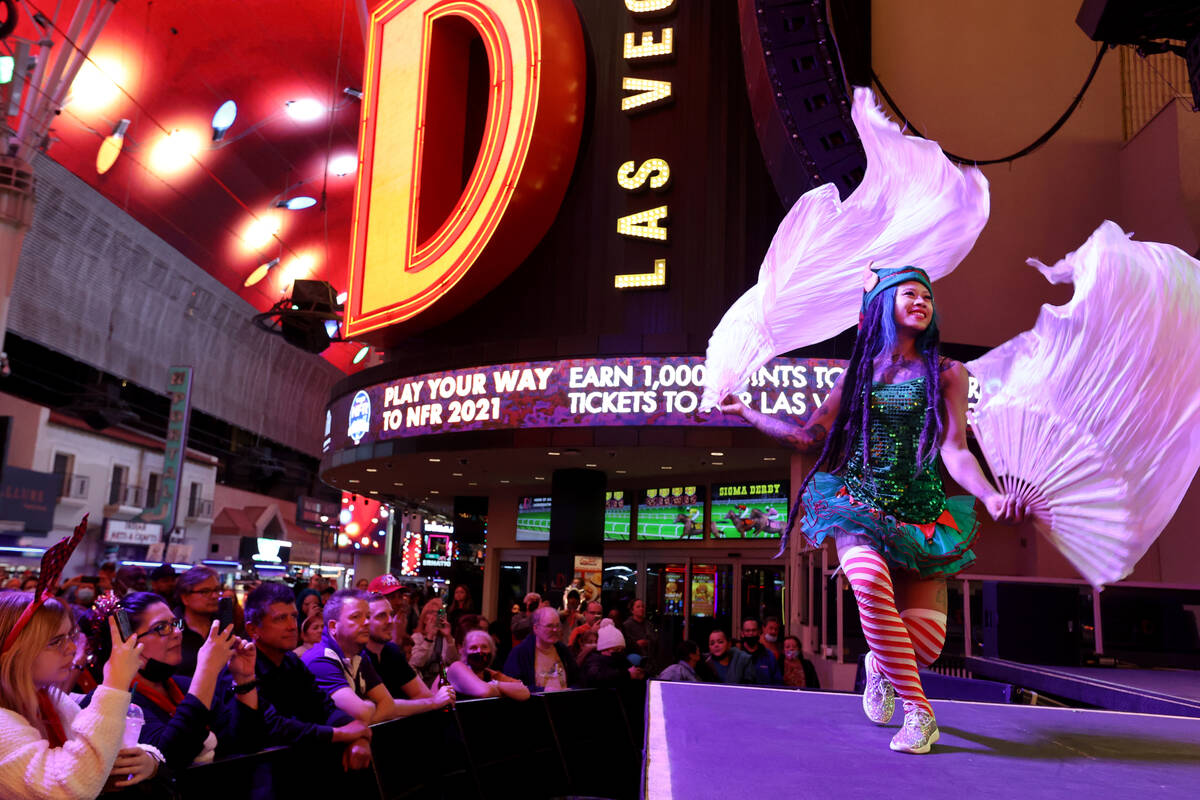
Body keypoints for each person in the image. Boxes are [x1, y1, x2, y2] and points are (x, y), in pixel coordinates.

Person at [721, 265, 1026, 754]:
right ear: (883, 303)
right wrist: (748, 413)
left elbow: (954, 448)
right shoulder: (858, 376)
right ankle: (919, 715)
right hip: (859, 506)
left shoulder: (948, 372)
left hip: (922, 515)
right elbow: (807, 437)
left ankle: (878, 666)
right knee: (866, 583)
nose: (922, 301)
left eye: (927, 295)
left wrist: (989, 496)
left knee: (924, 647)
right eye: (910, 294)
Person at [0, 591, 157, 798]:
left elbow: (103, 747)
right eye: (56, 641)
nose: (73, 648)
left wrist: (149, 760)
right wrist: (114, 684)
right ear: (13, 654)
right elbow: (64, 789)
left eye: (70, 636)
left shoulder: (53, 699)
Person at [88, 591, 264, 769]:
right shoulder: (112, 702)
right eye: (161, 627)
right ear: (128, 643)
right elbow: (168, 757)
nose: (178, 633)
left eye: (175, 623)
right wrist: (208, 668)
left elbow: (246, 744)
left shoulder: (184, 685)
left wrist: (245, 680)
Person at [242, 584, 372, 771]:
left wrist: (358, 735)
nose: (291, 626)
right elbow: (271, 726)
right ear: (253, 629)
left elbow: (324, 706)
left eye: (294, 617)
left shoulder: (291, 662)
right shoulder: (242, 667)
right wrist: (340, 734)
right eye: (280, 618)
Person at [302, 589, 418, 724]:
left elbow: (389, 705)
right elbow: (362, 713)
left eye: (368, 616)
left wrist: (366, 712)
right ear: (333, 626)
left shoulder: (358, 654)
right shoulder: (320, 661)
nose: (367, 622)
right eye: (356, 616)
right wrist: (370, 705)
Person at [363, 594, 454, 713]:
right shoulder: (359, 656)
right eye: (381, 616)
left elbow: (422, 694)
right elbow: (381, 708)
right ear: (365, 622)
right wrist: (433, 703)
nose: (390, 621)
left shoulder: (391, 650)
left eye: (391, 614)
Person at [503, 606, 579, 692]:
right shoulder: (520, 653)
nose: (555, 630)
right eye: (549, 626)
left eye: (557, 626)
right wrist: (542, 690)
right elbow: (511, 686)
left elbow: (577, 680)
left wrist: (572, 690)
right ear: (535, 628)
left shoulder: (562, 650)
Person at [446, 630, 530, 701]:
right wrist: (507, 690)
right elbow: (485, 691)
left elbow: (524, 692)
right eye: (473, 648)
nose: (479, 651)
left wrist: (496, 684)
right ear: (464, 652)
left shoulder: (491, 674)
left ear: (492, 651)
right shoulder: (457, 667)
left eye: (484, 647)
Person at [175, 565, 223, 677]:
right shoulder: (174, 630)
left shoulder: (223, 626)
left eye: (216, 590)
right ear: (185, 598)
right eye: (205, 591)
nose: (215, 596)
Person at [580, 620, 644, 689]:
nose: (619, 652)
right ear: (604, 649)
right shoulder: (593, 660)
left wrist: (640, 674)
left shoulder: (620, 658)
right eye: (616, 649)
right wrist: (627, 674)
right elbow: (596, 678)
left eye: (621, 649)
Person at [409, 605, 459, 685]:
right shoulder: (416, 637)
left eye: (439, 612)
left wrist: (448, 637)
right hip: (422, 682)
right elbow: (416, 663)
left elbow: (454, 662)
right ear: (424, 619)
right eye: (431, 612)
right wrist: (429, 637)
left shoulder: (446, 639)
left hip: (443, 680)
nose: (435, 615)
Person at [737, 618, 780, 685]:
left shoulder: (769, 656)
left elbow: (777, 681)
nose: (751, 633)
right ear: (742, 633)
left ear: (759, 632)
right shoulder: (736, 655)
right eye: (747, 631)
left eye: (754, 630)